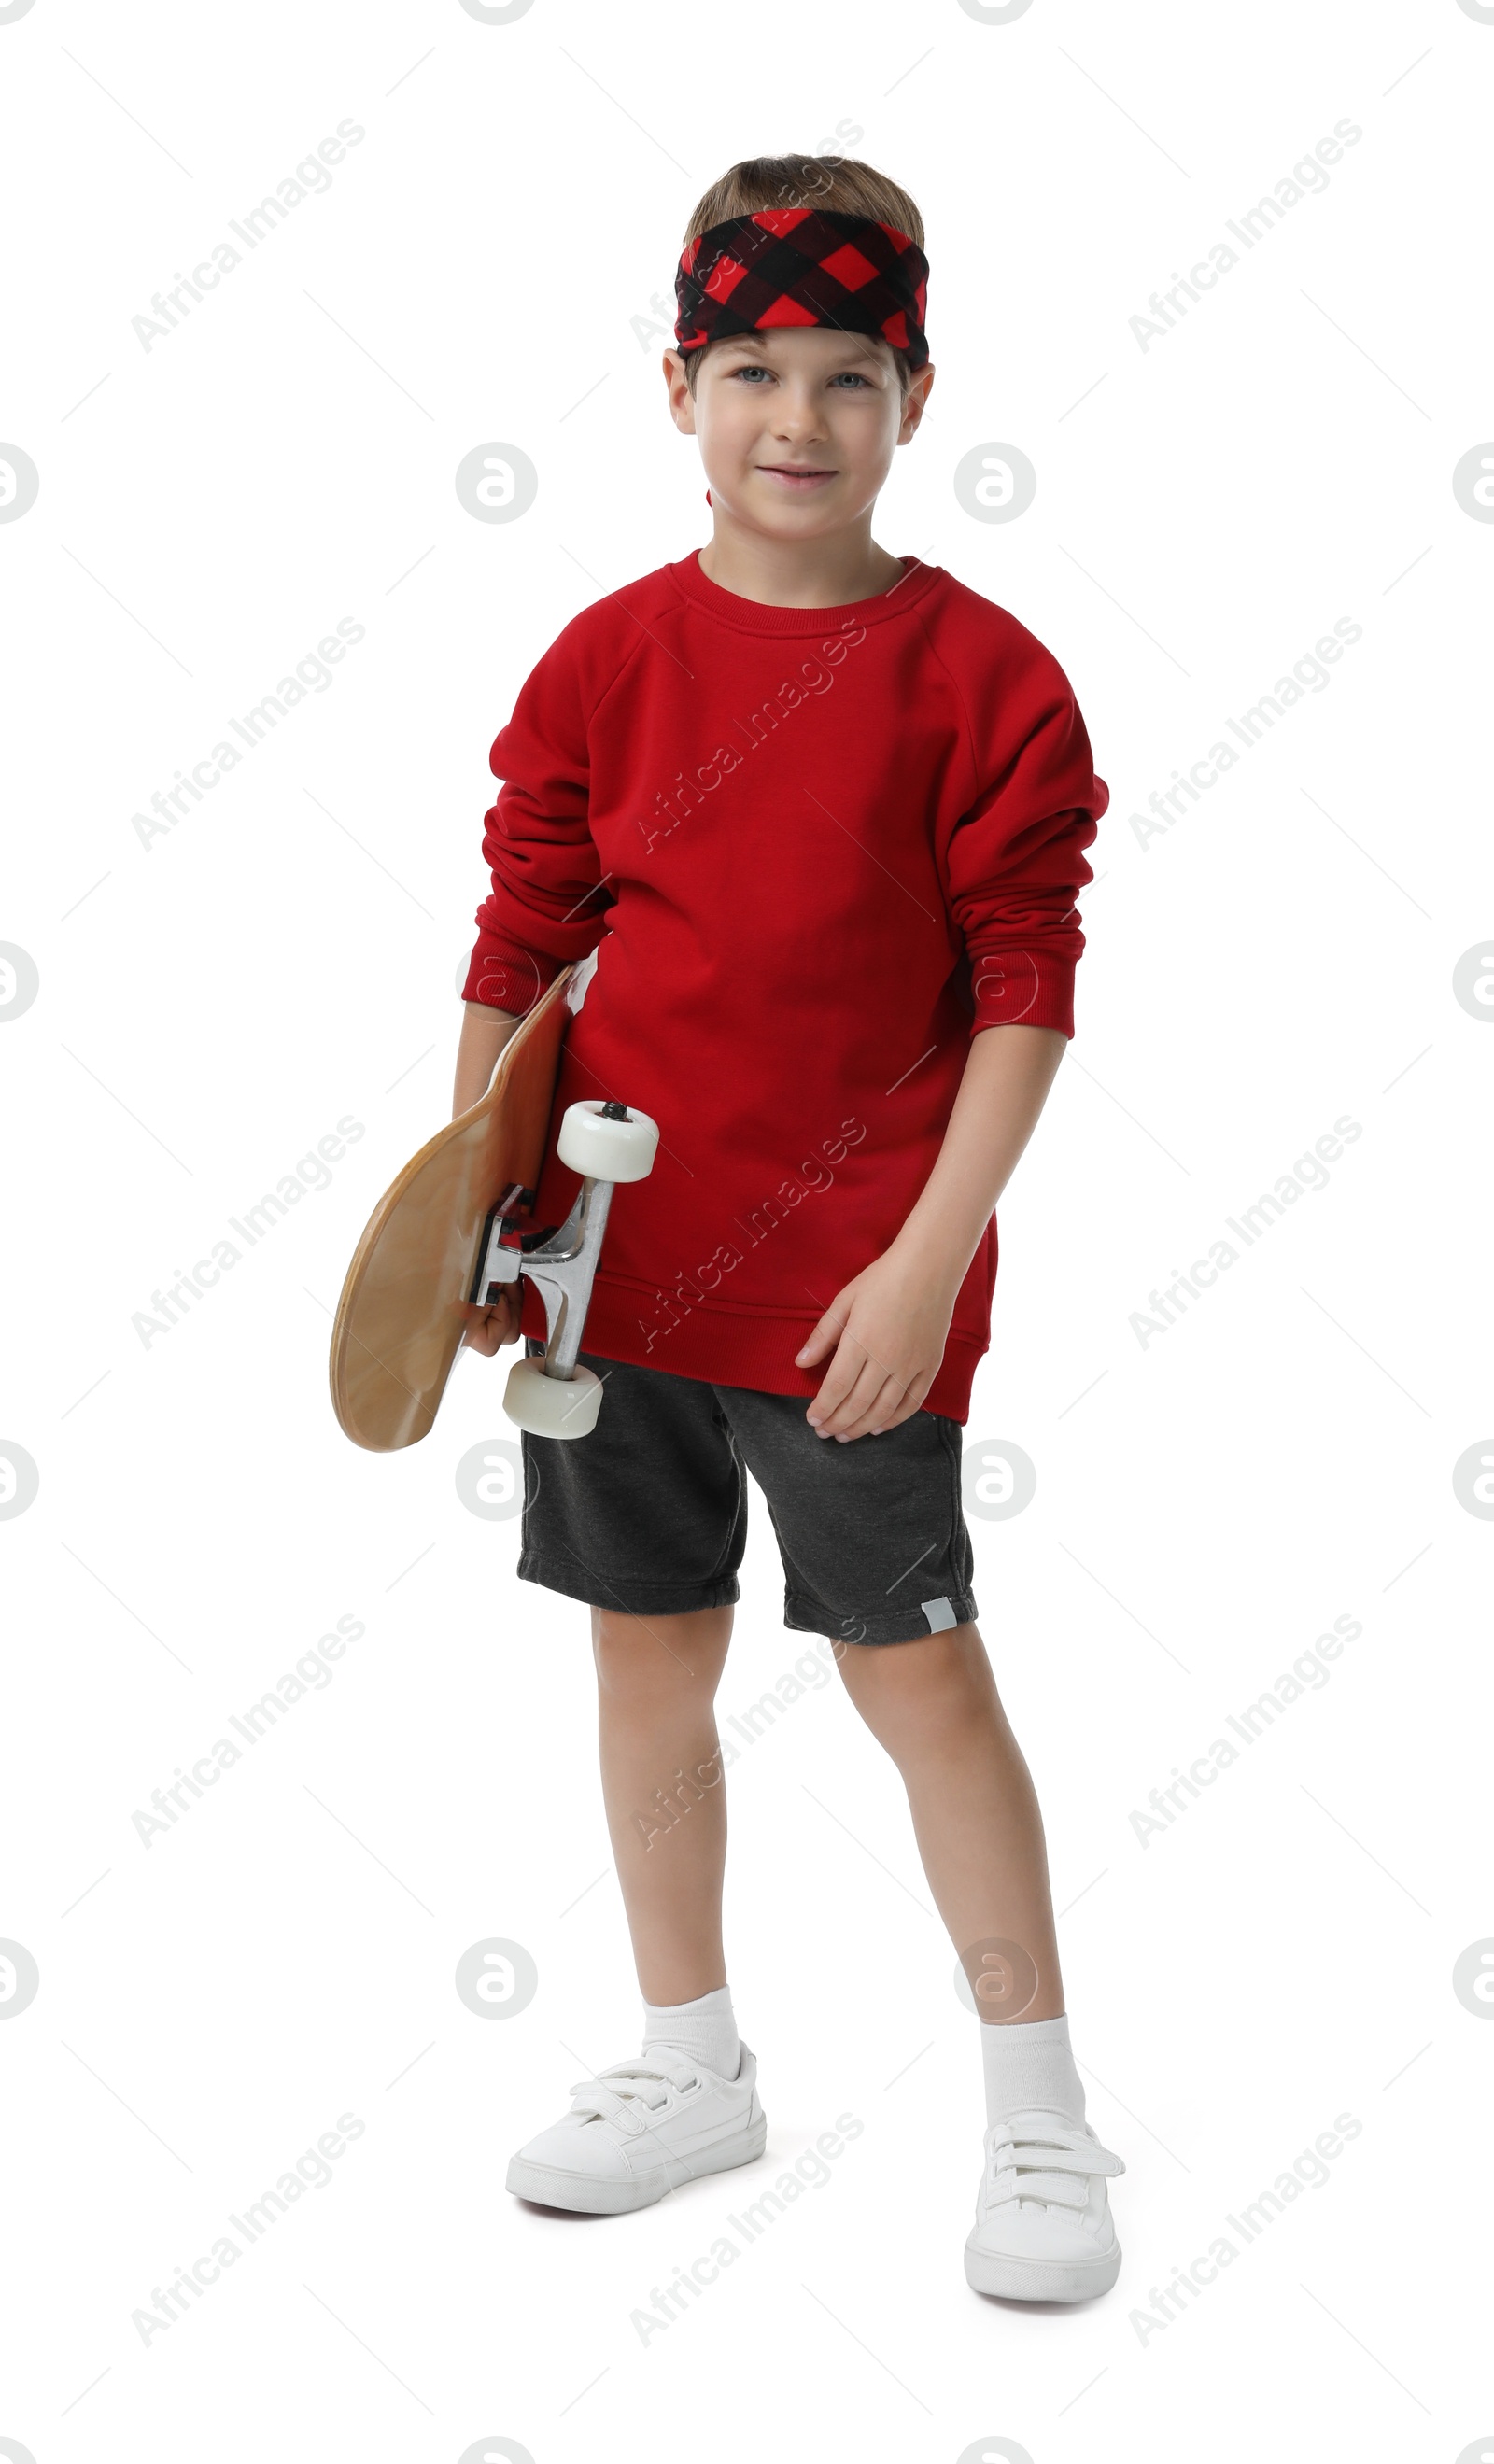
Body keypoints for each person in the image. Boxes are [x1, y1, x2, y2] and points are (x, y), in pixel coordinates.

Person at [450, 153, 1125, 2302]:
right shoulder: (606, 659)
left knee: (911, 1678)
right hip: (607, 1273)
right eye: (750, 366)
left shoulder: (980, 676)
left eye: (848, 372)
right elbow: (524, 936)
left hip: (847, 1302)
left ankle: (1037, 2118)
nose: (796, 417)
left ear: (915, 395)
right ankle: (688, 2066)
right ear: (675, 386)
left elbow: (1026, 976)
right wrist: (471, 1208)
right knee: (643, 1665)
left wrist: (923, 1261)